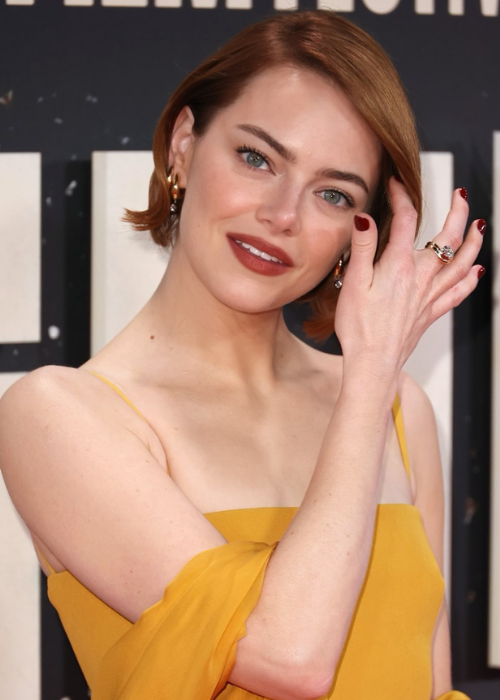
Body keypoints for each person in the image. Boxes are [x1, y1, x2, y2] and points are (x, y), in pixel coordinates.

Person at [0, 10, 484, 700]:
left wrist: (372, 383)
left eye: (332, 194)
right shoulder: (60, 416)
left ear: (362, 231)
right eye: (257, 158)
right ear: (184, 144)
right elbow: (287, 656)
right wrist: (369, 380)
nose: (282, 215)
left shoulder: (400, 409)